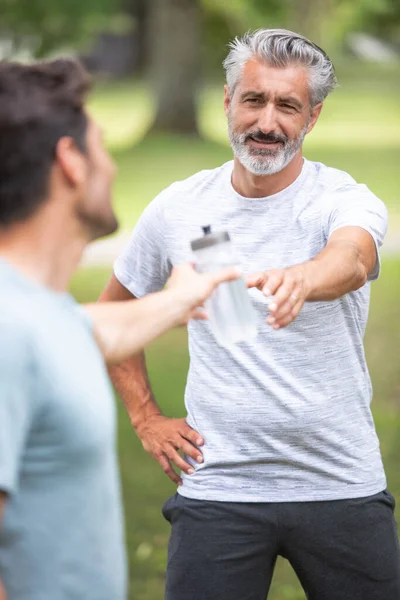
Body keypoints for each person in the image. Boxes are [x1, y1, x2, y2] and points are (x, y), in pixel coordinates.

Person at [100, 29, 400, 599]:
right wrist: (145, 418)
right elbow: (115, 310)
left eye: (287, 106)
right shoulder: (180, 207)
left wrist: (302, 278)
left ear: (312, 117)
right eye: (254, 100)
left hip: (338, 482)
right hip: (219, 489)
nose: (266, 122)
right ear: (227, 101)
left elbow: (354, 257)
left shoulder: (342, 198)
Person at [0, 59, 241, 600]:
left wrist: (177, 300)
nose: (112, 165)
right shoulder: (11, 332)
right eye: (102, 146)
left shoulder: (35, 314)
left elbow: (90, 329)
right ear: (71, 162)